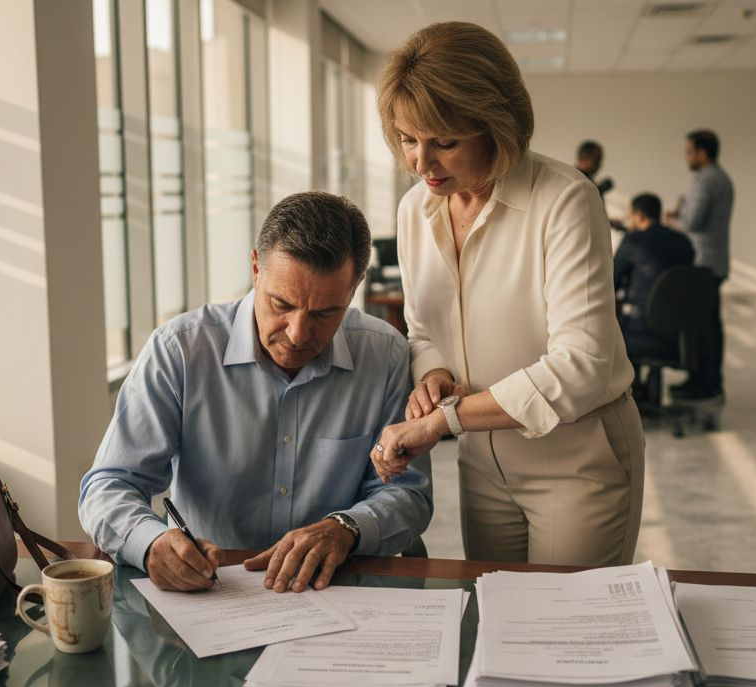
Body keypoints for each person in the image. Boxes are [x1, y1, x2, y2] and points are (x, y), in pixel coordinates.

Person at [369, 21, 646, 567]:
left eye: (444, 143)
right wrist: (432, 375)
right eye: (408, 140)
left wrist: (443, 420)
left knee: (566, 636)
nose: (421, 163)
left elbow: (583, 365)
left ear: (497, 126)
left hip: (576, 458)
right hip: (481, 461)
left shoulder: (564, 199)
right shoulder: (413, 210)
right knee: (501, 620)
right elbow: (424, 329)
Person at [79, 192, 432, 593]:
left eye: (324, 313)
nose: (298, 335)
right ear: (254, 269)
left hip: (335, 588)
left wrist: (346, 527)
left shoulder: (384, 354)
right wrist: (150, 542)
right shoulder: (180, 350)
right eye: (281, 304)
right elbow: (108, 486)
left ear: (353, 291)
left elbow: (407, 494)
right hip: (212, 592)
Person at [664, 128, 733, 399]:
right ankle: (707, 381)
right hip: (716, 261)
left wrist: (672, 217)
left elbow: (692, 223)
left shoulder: (704, 180)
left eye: (689, 151)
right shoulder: (722, 178)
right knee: (709, 325)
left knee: (703, 328)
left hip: (702, 262)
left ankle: (705, 385)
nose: (687, 157)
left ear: (702, 153)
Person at [614, 192, 695, 376]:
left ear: (638, 215)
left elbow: (610, 283)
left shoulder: (633, 241)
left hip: (639, 331)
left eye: (630, 215)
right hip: (679, 335)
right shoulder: (683, 242)